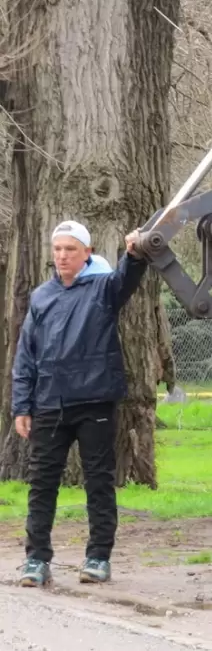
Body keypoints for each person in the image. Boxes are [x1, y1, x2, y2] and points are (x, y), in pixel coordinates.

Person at [12, 220, 147, 587]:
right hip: (50, 405)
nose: (62, 256)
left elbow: (127, 277)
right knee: (42, 484)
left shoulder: (103, 289)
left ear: (86, 253)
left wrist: (135, 253)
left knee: (98, 482)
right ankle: (36, 560)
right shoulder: (41, 296)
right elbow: (27, 355)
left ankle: (98, 557)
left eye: (70, 249)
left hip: (95, 401)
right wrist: (22, 406)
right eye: (57, 249)